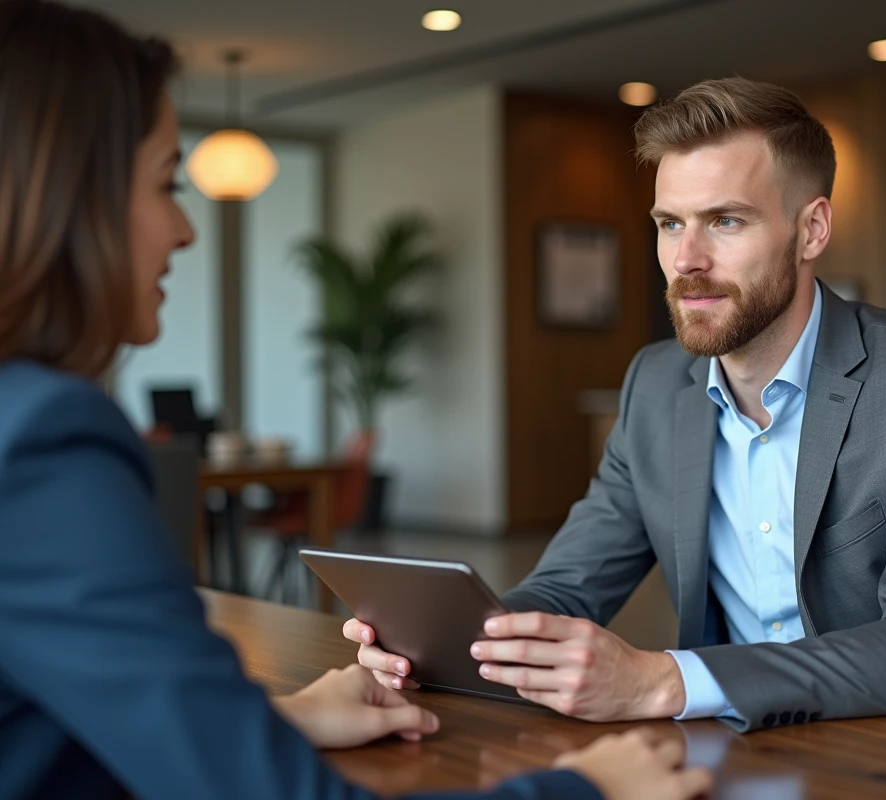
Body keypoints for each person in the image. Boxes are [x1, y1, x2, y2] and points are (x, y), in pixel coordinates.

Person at [0, 2, 713, 799]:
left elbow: (58, 719)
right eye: (168, 184)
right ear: (70, 196)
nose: (184, 231)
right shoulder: (40, 440)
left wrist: (273, 725)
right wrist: (589, 790)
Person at [349, 76, 886, 740]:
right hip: (747, 750)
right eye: (668, 223)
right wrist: (445, 648)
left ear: (811, 231)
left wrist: (665, 682)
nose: (686, 259)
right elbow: (568, 586)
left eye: (724, 221)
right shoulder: (655, 386)